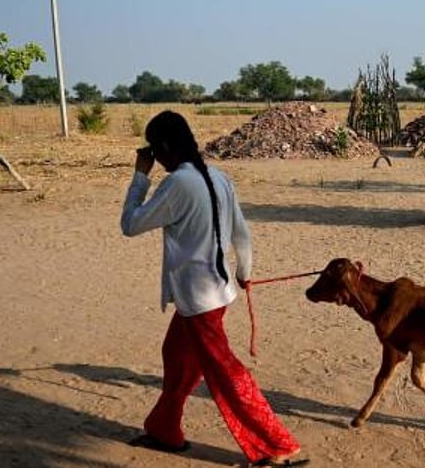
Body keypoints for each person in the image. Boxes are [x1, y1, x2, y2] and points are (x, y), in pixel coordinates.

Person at [120, 111, 308, 467]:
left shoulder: (177, 184)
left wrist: (139, 177)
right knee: (177, 358)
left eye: (154, 152)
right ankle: (164, 429)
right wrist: (244, 272)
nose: (154, 159)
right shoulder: (218, 177)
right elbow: (242, 233)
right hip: (217, 293)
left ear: (162, 147)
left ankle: (275, 444)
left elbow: (130, 224)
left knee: (225, 372)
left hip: (198, 299)